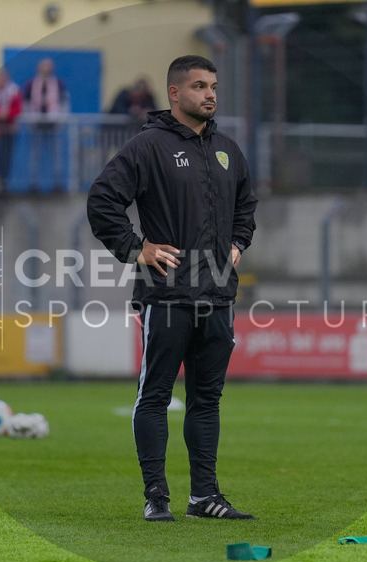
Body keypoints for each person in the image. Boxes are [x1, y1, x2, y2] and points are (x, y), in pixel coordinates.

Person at [87, 55, 258, 522]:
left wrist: (239, 242)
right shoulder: (147, 147)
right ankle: (156, 497)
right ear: (176, 93)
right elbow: (103, 200)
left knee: (207, 401)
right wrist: (135, 249)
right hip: (166, 296)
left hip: (218, 295)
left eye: (215, 86)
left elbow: (247, 202)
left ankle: (204, 497)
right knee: (156, 396)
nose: (211, 94)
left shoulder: (227, 149)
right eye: (201, 86)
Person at [23, 58, 68, 191]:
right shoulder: (32, 84)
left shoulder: (58, 84)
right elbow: (26, 103)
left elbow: (64, 103)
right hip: (36, 123)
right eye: (44, 67)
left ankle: (57, 182)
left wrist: (61, 120)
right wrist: (29, 120)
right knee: (35, 155)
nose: (46, 70)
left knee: (56, 154)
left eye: (48, 67)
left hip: (53, 123)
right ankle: (33, 183)